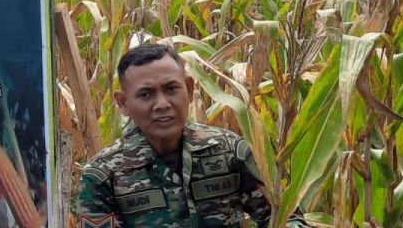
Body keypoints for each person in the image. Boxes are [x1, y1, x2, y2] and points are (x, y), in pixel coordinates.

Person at [76, 43, 308, 227]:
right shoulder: (104, 175)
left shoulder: (228, 151)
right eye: (146, 94)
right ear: (123, 103)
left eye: (171, 89)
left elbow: (285, 216)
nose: (162, 104)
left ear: (188, 89)